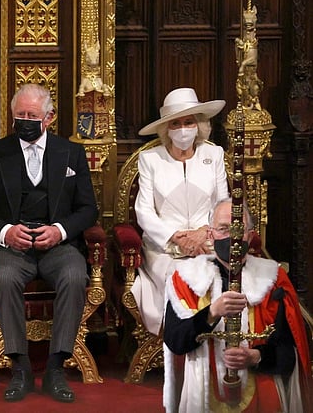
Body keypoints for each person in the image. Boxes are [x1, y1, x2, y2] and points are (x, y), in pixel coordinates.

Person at [0, 84, 98, 403]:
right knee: (5, 277)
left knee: (73, 275)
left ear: (49, 117)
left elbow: (88, 209)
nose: (25, 120)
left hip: (59, 245)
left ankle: (55, 367)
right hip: (13, 247)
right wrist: (6, 231)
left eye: (32, 116)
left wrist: (60, 230)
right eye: (19, 116)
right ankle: (20, 367)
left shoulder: (72, 153)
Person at [163, 200, 311, 412]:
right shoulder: (185, 280)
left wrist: (257, 357)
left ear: (250, 236)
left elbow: (290, 355)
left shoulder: (273, 281)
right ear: (210, 235)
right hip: (203, 395)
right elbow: (175, 342)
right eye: (223, 229)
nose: (232, 236)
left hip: (262, 396)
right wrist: (212, 313)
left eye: (239, 229)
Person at [131, 87, 228, 337]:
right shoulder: (150, 159)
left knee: (216, 277)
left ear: (199, 125)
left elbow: (223, 204)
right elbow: (143, 211)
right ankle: (182, 342)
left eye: (188, 122)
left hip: (207, 242)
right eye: (176, 123)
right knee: (179, 278)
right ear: (166, 129)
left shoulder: (214, 154)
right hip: (163, 248)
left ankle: (214, 346)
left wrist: (203, 234)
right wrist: (176, 236)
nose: (183, 129)